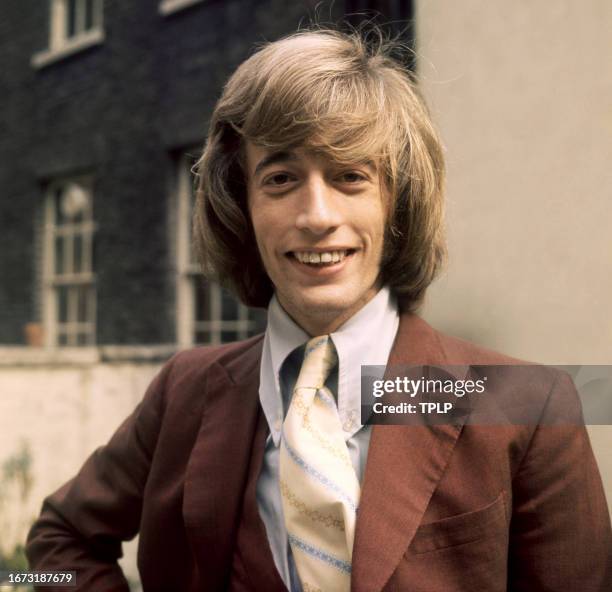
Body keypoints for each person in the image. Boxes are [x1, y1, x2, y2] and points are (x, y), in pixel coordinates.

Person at [26, 27, 611, 592]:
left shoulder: (530, 407)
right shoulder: (184, 391)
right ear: (241, 205)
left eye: (350, 176)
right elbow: (54, 546)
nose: (317, 216)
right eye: (281, 179)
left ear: (397, 201)